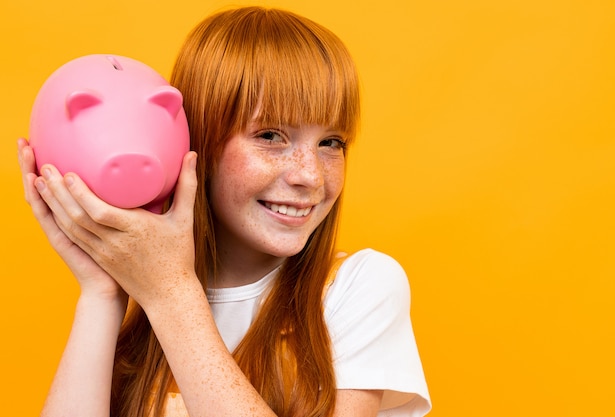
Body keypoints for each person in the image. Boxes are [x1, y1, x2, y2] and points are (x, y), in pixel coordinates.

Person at [18, 6, 431, 417]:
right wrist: (102, 292)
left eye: (332, 143)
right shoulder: (143, 307)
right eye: (271, 136)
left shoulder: (359, 288)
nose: (311, 176)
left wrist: (171, 292)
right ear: (199, 143)